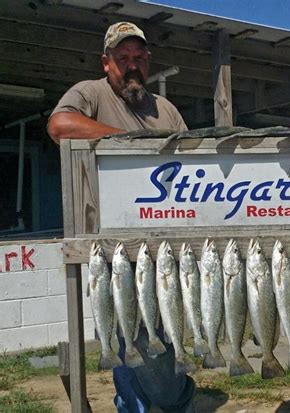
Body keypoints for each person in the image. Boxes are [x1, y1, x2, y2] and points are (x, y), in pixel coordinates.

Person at [48, 22, 194, 413]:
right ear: (107, 62)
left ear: (148, 62)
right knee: (129, 337)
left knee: (164, 338)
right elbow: (59, 126)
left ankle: (171, 396)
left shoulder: (166, 110)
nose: (132, 66)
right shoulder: (90, 92)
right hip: (111, 253)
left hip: (165, 248)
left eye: (139, 59)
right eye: (123, 58)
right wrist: (125, 143)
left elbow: (194, 164)